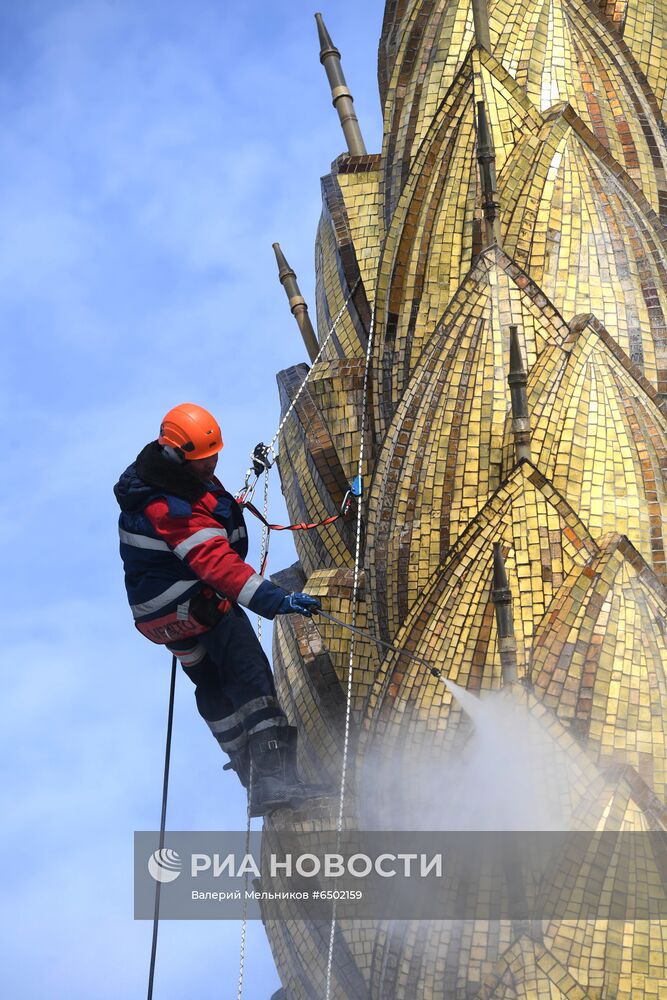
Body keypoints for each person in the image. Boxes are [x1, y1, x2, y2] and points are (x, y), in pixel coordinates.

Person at [114, 402, 328, 816]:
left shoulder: (159, 484)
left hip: (162, 621)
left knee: (211, 684)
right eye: (203, 459)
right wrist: (276, 599)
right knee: (249, 674)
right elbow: (216, 565)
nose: (212, 464)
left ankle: (253, 777)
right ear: (176, 455)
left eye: (214, 456)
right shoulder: (170, 508)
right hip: (192, 606)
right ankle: (274, 781)